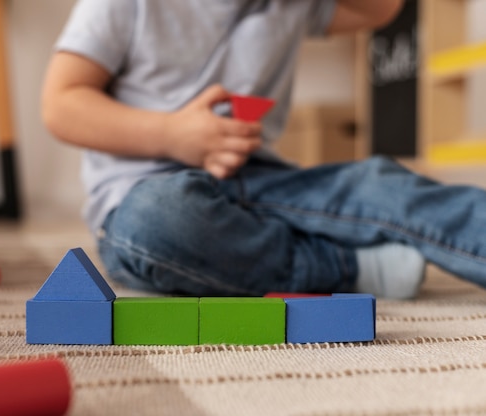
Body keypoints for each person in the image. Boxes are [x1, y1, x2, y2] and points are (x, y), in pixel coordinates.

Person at [41, 0, 486, 299]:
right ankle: (342, 265)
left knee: (379, 184)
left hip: (263, 183)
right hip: (146, 194)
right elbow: (60, 104)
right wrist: (172, 135)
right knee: (156, 220)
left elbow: (383, 8)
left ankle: (301, 248)